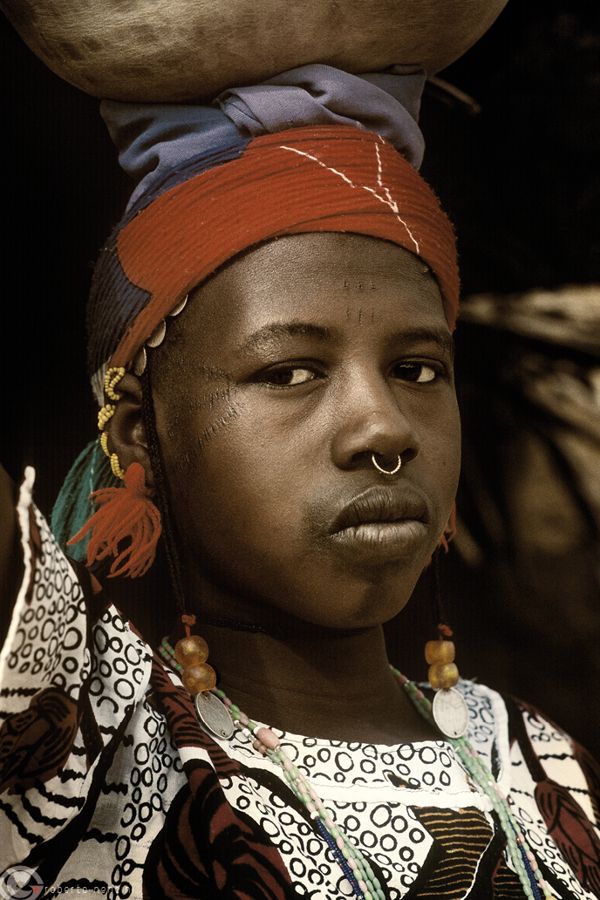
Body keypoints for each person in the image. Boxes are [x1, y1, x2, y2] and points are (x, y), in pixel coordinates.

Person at [1, 66, 599, 900]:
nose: (385, 428)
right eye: (288, 373)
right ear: (141, 432)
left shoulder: (541, 760)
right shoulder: (84, 738)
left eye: (418, 369)